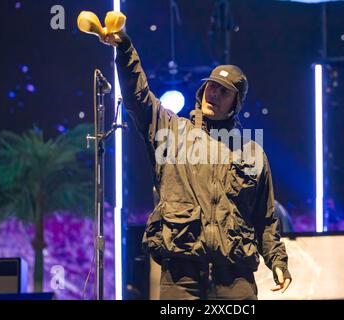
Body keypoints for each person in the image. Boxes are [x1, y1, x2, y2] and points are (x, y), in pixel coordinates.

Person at [100, 29, 291, 300]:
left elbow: (266, 218)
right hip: (181, 275)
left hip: (235, 278)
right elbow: (137, 97)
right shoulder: (172, 131)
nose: (214, 94)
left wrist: (277, 261)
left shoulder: (252, 152)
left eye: (224, 92)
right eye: (211, 86)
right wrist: (125, 49)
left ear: (235, 104)